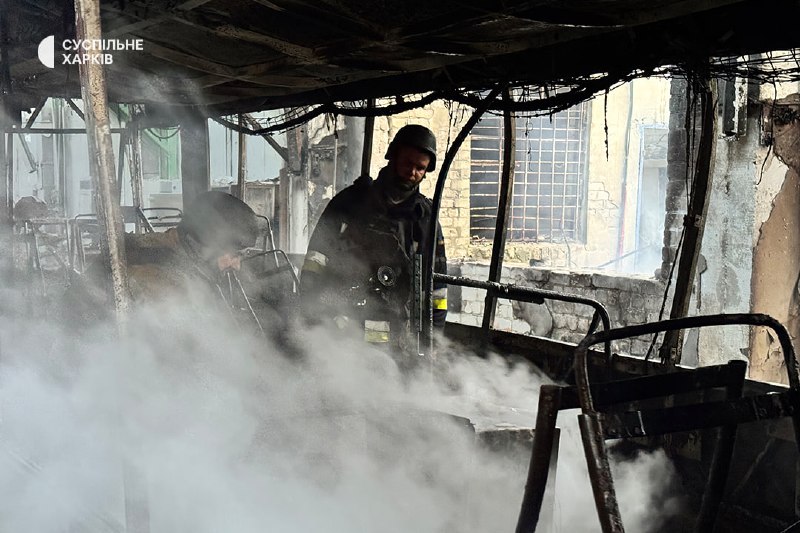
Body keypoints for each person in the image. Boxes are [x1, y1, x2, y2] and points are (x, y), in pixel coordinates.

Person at [300, 124, 448, 367]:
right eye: (407, 162)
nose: (412, 171)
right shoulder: (349, 204)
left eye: (420, 168)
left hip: (403, 342)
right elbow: (315, 261)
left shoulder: (425, 219)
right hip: (345, 334)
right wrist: (313, 315)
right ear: (393, 156)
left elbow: (438, 288)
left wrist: (433, 340)